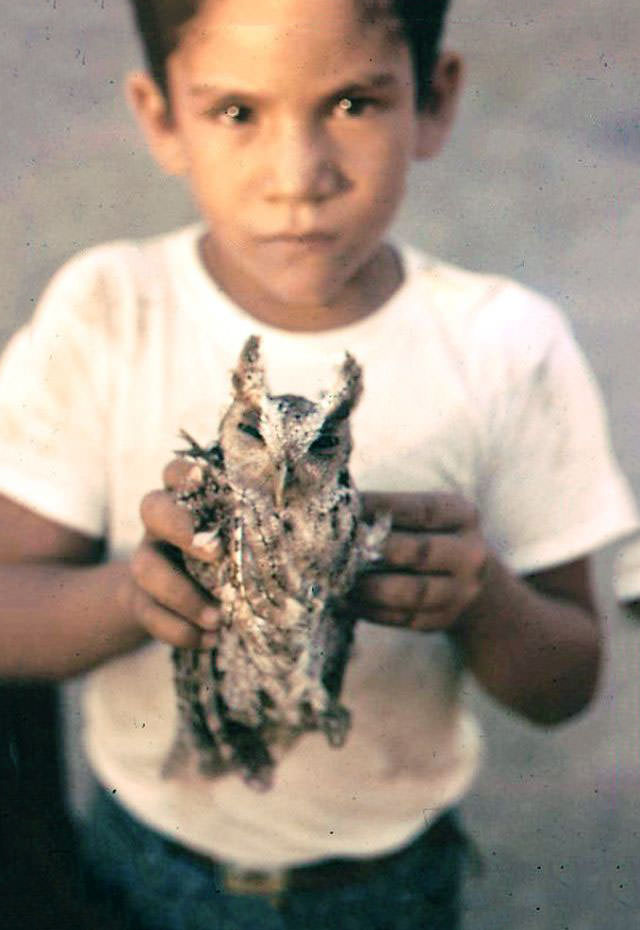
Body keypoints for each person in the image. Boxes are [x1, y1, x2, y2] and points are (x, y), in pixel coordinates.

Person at [0, 0, 637, 927]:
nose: (297, 178)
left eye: (352, 104)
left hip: (390, 885)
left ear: (434, 98)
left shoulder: (508, 345)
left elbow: (567, 679)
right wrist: (134, 598)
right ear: (159, 117)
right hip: (138, 866)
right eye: (237, 112)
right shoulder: (107, 312)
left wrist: (484, 599)